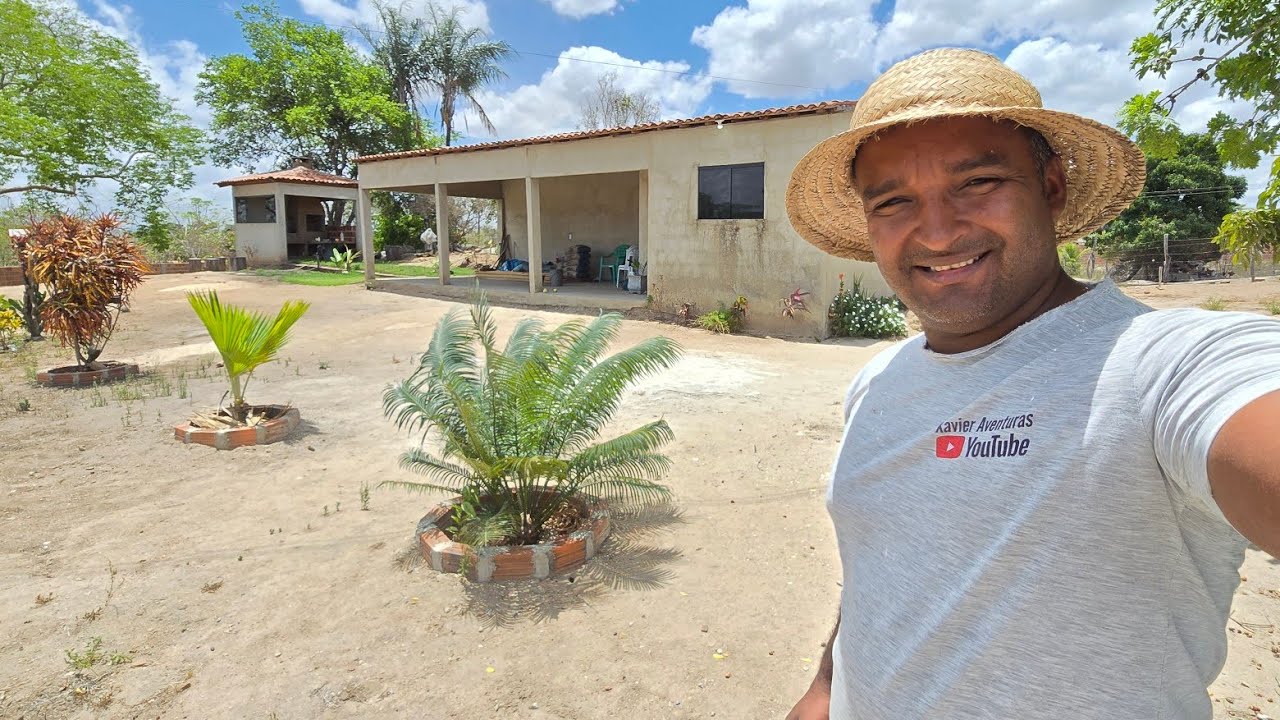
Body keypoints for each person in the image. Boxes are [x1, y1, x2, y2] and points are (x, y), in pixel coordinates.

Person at [783, 48, 1280, 719]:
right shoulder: (879, 380)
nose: (937, 231)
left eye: (978, 182)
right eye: (895, 200)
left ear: (1051, 186)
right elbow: (886, 559)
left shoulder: (1163, 364)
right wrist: (823, 689)